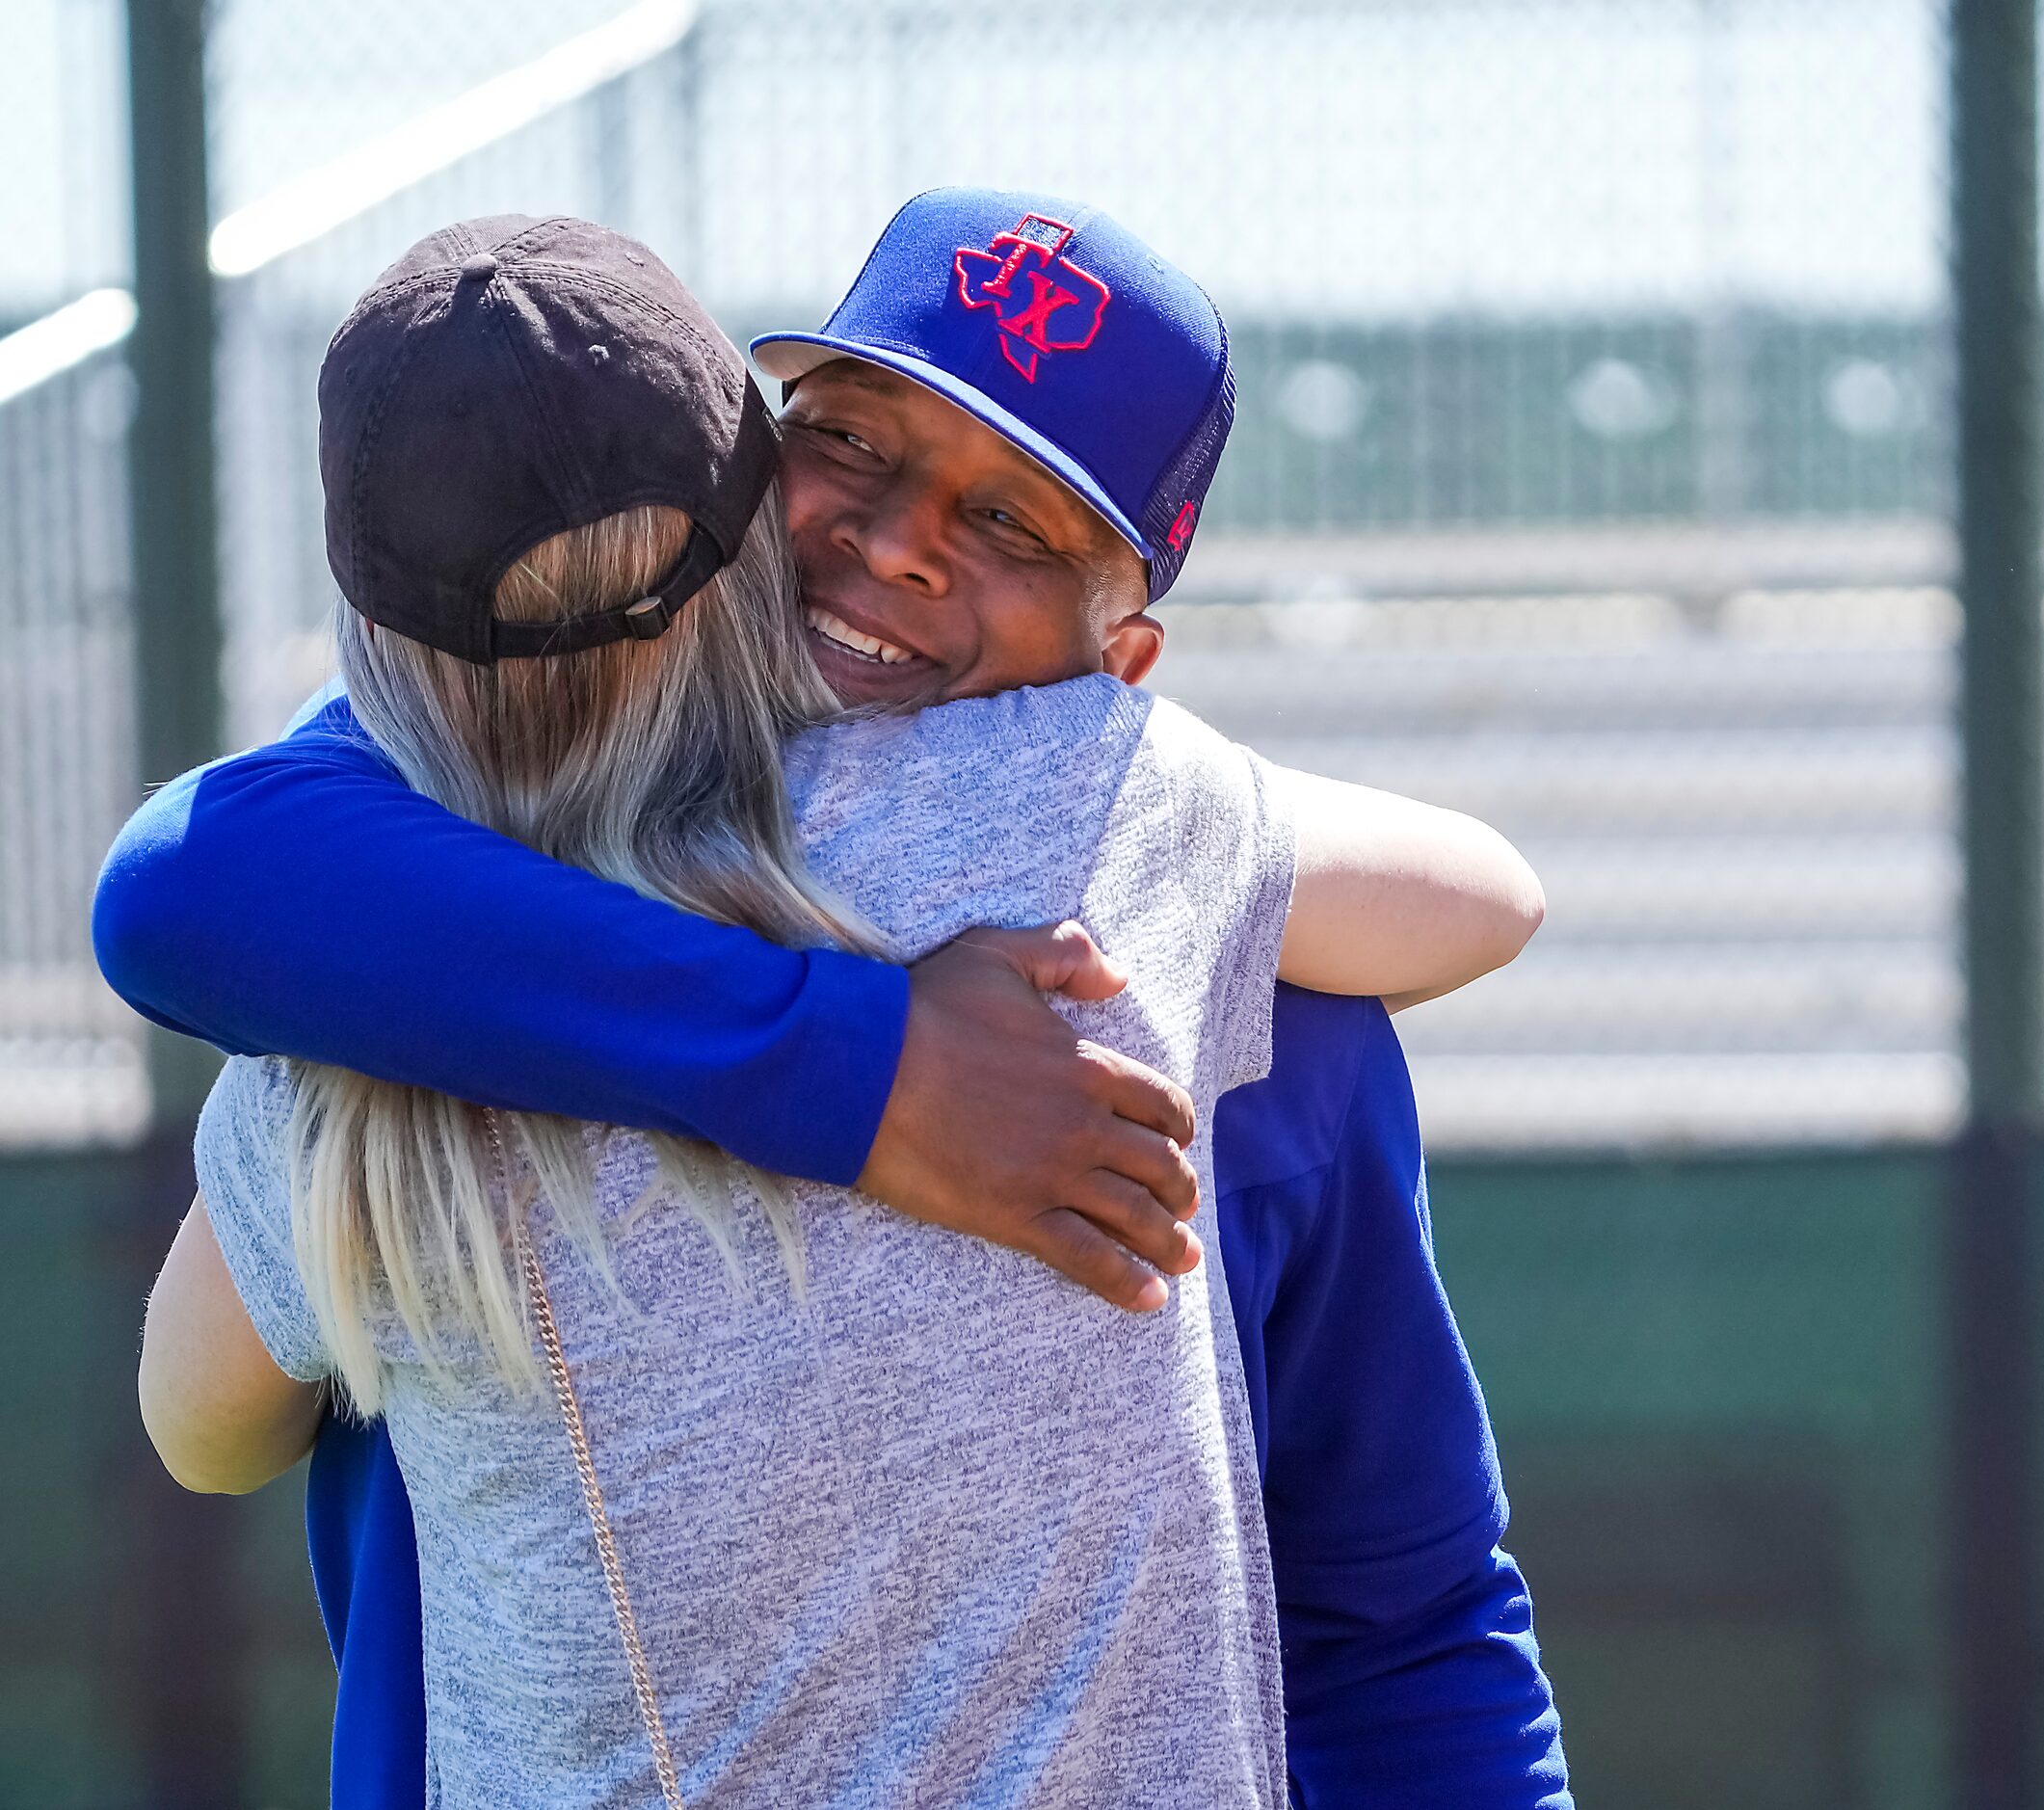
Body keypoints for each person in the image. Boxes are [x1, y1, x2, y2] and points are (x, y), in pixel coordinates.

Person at [99, 192, 1570, 1806]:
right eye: (853, 443)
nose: (897, 539)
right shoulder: (411, 912)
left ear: (1121, 658)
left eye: (1017, 523)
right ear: (745, 458)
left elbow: (1401, 1612)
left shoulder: (1221, 970)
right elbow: (195, 878)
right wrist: (855, 1065)